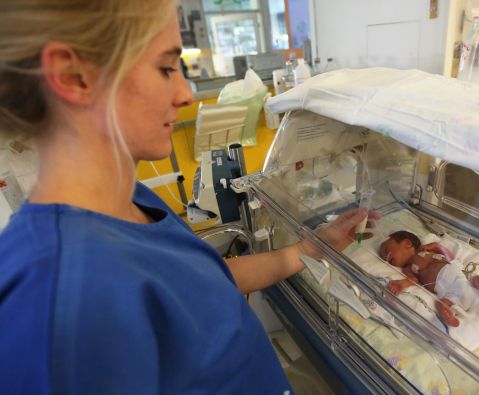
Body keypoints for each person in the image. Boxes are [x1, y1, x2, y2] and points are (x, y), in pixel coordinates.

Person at [0, 1, 378, 393]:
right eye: (166, 68)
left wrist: (309, 250)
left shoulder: (131, 199)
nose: (184, 94)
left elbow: (200, 284)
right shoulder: (55, 300)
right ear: (72, 75)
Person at [378, 231, 479, 336]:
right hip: (449, 292)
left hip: (462, 278)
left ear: (407, 243)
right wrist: (401, 284)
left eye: (385, 250)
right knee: (440, 304)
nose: (385, 257)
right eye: (383, 256)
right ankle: (450, 318)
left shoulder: (427, 252)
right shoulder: (407, 268)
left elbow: (451, 258)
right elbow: (413, 280)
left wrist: (438, 247)